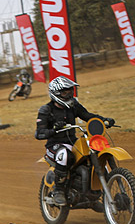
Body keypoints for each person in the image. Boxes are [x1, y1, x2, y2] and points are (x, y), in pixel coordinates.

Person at [34, 76, 114, 206]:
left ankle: (92, 194)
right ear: (56, 93)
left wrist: (103, 120)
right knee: (65, 155)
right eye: (65, 92)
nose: (69, 94)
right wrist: (54, 129)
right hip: (54, 146)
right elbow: (39, 133)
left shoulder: (73, 106)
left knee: (93, 154)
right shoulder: (46, 110)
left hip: (72, 143)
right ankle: (58, 190)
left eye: (71, 91)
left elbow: (87, 116)